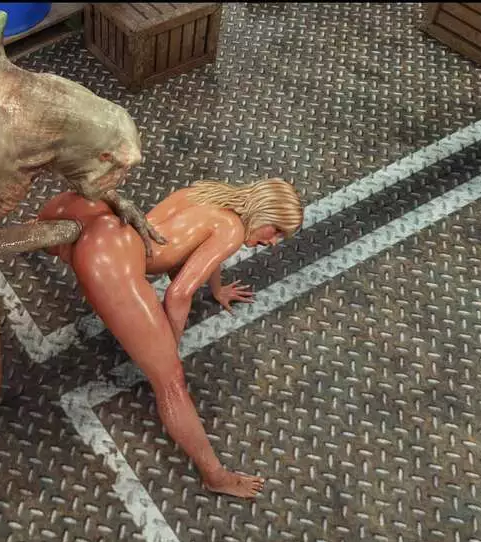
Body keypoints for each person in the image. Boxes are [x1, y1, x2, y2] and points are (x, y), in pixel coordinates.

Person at [38, 178, 304, 498]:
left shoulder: (210, 193)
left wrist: (217, 288)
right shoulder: (232, 229)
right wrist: (169, 348)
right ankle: (215, 476)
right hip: (111, 260)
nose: (273, 242)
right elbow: (178, 295)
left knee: (44, 237)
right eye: (276, 231)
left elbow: (204, 253)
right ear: (264, 211)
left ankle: (31, 239)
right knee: (171, 384)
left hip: (91, 214)